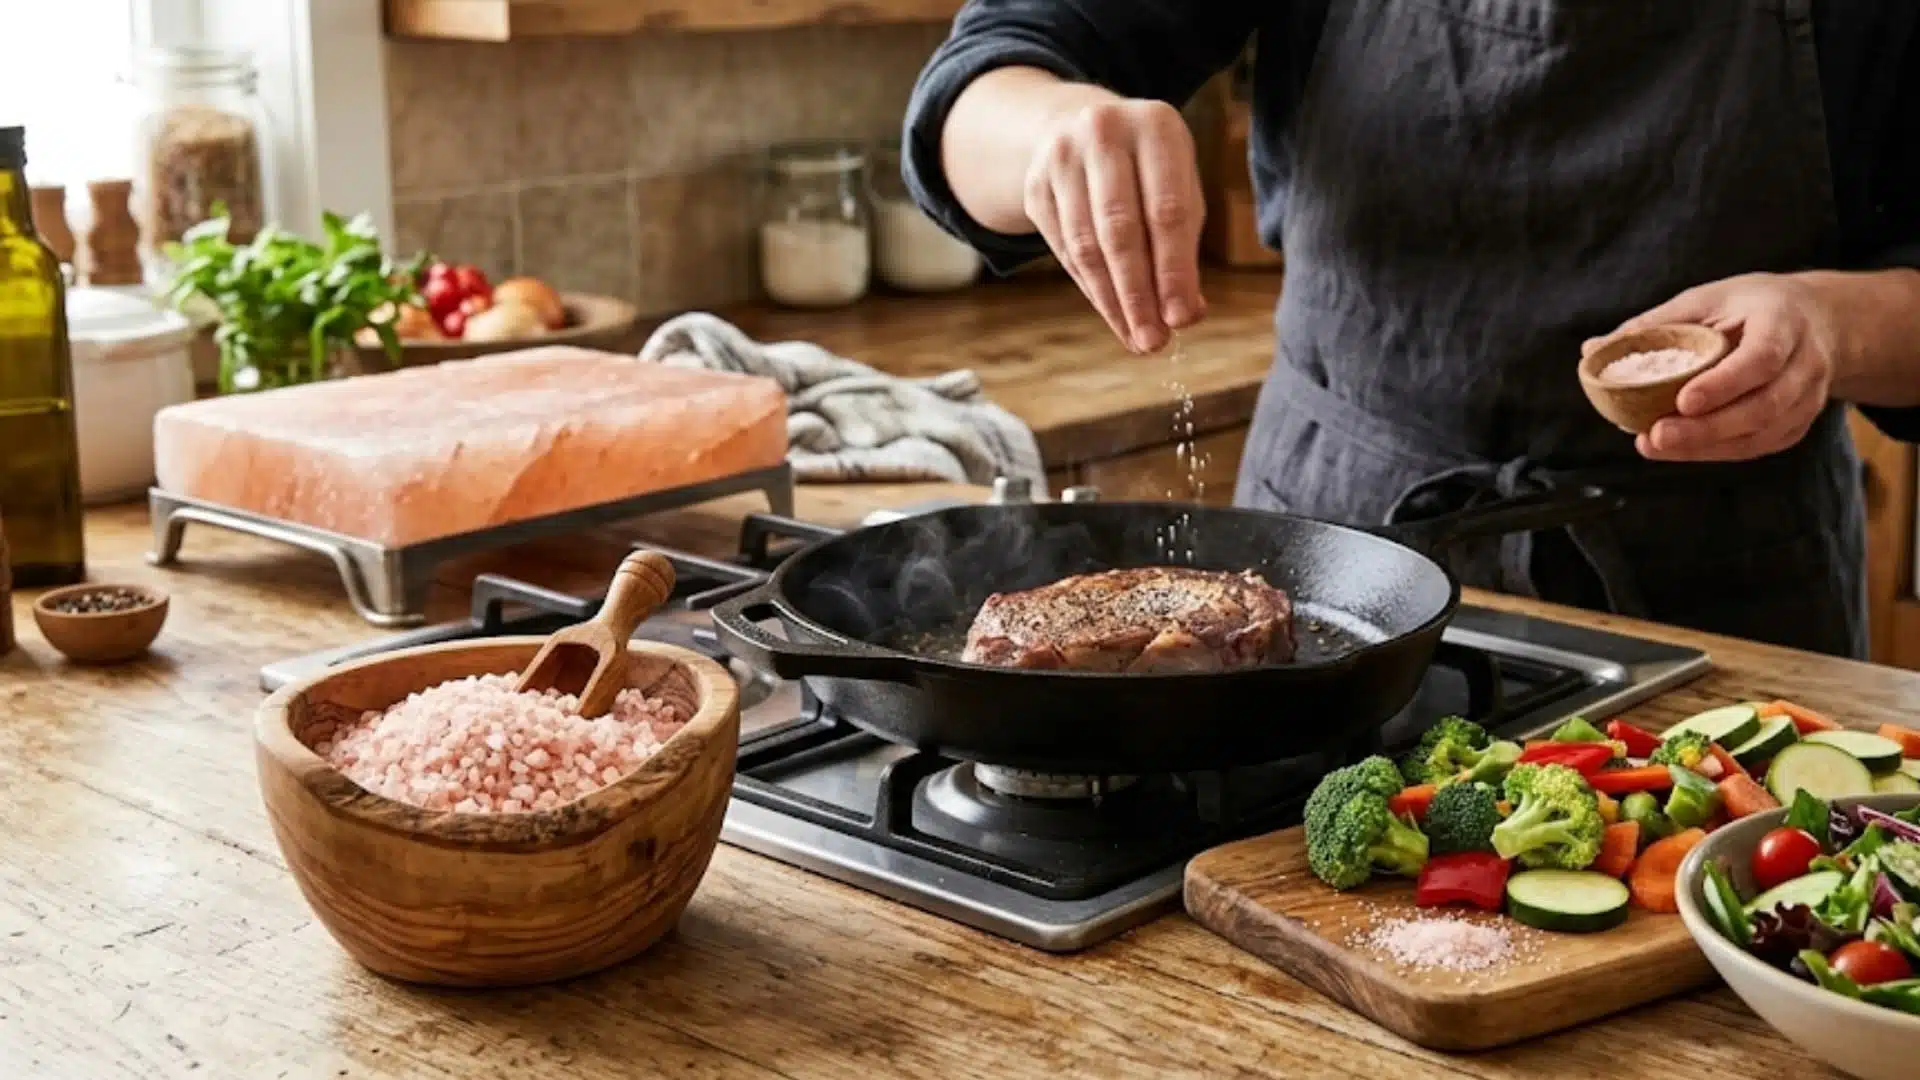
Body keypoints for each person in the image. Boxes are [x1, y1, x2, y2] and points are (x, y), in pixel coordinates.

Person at [900, 2, 1920, 659]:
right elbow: (976, 92)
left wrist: (1832, 326)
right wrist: (1049, 132)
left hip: (1721, 596)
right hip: (1327, 574)